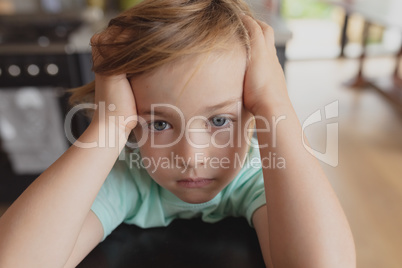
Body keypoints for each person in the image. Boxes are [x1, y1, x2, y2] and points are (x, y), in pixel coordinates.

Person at [0, 0, 356, 267]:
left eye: (219, 121)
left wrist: (277, 106)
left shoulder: (259, 175)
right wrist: (109, 126)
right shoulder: (127, 177)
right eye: (158, 124)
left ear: (254, 113)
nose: (191, 158)